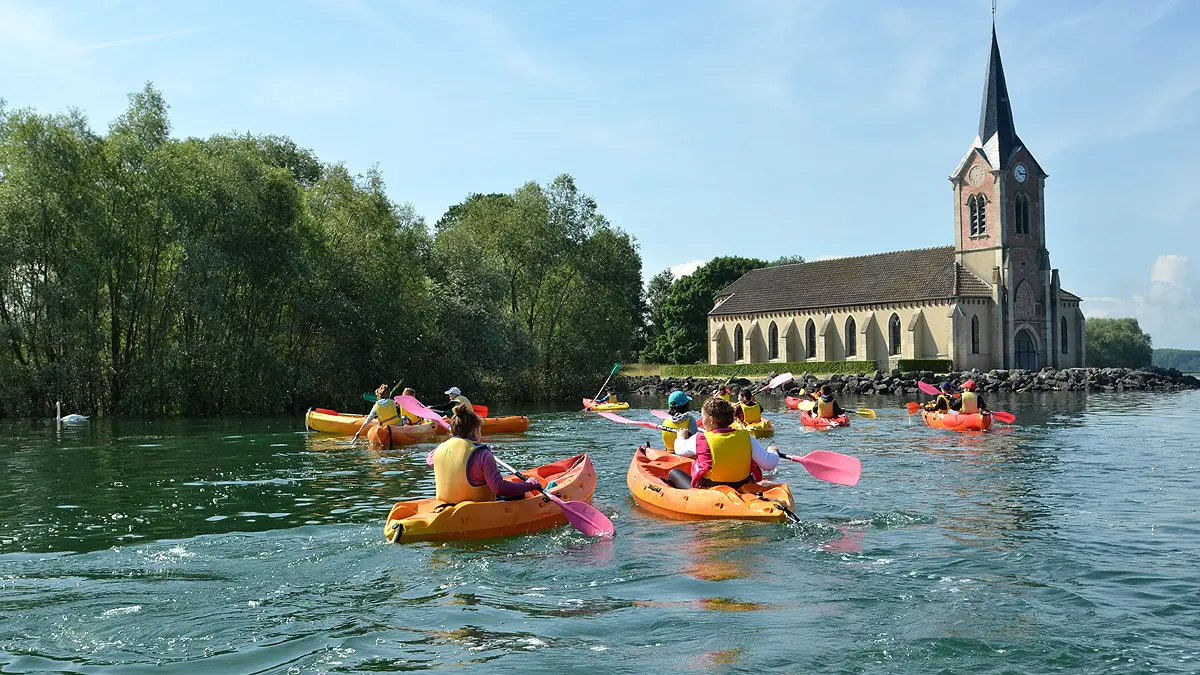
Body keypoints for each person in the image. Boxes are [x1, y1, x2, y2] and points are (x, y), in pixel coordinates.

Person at [425, 404, 541, 502]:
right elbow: (499, 488)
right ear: (476, 431)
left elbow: (429, 460)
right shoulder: (483, 454)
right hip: (479, 507)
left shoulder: (437, 451)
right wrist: (529, 485)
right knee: (518, 494)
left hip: (447, 502)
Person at [667, 397, 779, 489]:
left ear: (711, 420)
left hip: (712, 490)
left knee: (674, 473)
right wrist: (773, 451)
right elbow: (769, 465)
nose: (702, 420)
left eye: (703, 417)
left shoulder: (700, 439)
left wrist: (680, 437)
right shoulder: (746, 436)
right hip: (742, 487)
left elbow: (679, 450)